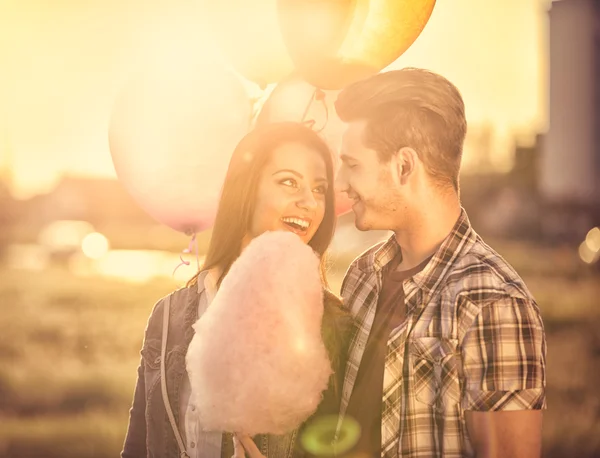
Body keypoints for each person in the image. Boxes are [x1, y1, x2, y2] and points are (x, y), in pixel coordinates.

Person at [332, 68, 547, 458]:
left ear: (404, 166)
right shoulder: (361, 278)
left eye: (352, 164)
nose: (340, 181)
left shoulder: (494, 303)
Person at [121, 122, 352, 458]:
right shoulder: (168, 317)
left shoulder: (334, 326)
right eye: (289, 181)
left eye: (319, 189)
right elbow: (137, 447)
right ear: (245, 189)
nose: (309, 202)